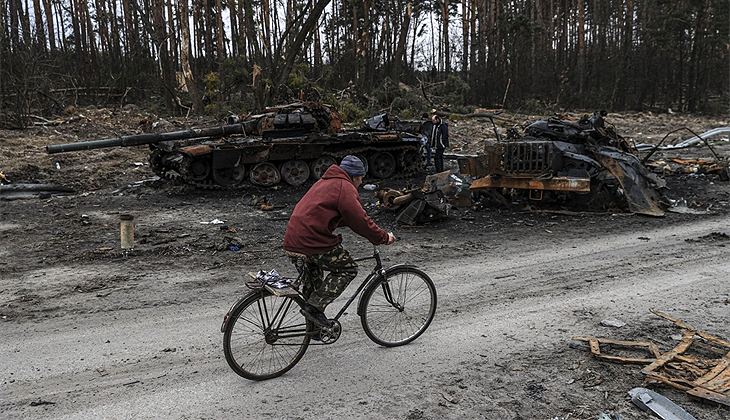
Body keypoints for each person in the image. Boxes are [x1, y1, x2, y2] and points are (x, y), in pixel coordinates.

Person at [283, 155, 397, 327]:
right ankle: (314, 309)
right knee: (348, 268)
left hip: (294, 238)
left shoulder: (325, 182)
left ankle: (314, 327)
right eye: (361, 178)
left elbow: (338, 215)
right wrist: (383, 237)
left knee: (314, 281)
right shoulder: (345, 187)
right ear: (355, 176)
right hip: (312, 240)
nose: (361, 182)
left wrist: (357, 223)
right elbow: (359, 220)